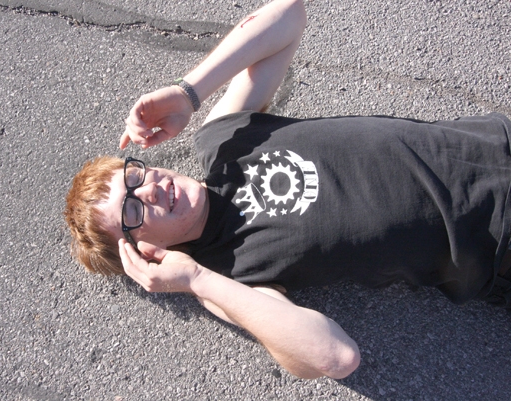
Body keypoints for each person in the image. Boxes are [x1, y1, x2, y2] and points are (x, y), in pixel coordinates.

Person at [64, 0, 511, 380]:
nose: (149, 191)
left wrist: (188, 93)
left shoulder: (220, 138)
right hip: (498, 244)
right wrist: (194, 279)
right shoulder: (227, 276)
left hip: (494, 141)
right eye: (132, 212)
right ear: (144, 254)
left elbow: (290, 15)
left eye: (135, 177)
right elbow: (335, 356)